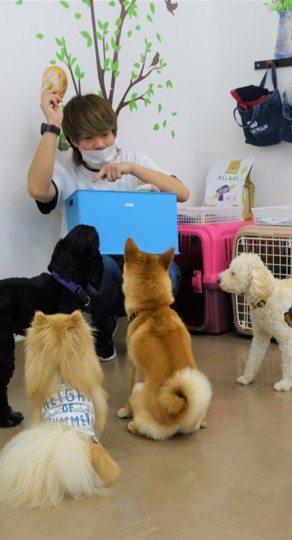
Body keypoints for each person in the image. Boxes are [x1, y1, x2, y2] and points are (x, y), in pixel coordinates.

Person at [27, 89, 190, 361]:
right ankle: (102, 328)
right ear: (74, 141)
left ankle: (149, 333)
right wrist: (53, 126)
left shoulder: (135, 161)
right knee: (103, 268)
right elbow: (37, 189)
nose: (100, 144)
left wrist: (132, 169)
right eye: (88, 138)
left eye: (105, 134)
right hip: (93, 271)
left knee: (169, 273)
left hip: (136, 261)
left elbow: (182, 193)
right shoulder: (67, 171)